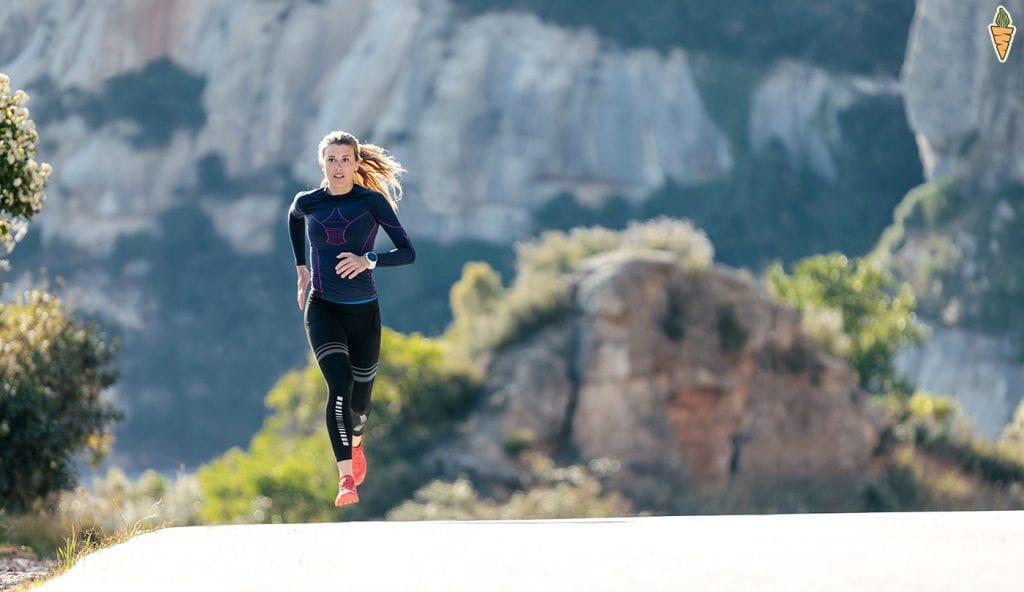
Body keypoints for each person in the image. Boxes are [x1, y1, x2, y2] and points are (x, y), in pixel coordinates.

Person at [287, 130, 416, 506]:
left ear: (356, 163)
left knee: (360, 404)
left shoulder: (371, 202)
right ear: (321, 163)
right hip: (322, 307)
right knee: (339, 387)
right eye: (331, 159)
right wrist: (301, 270)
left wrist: (369, 260)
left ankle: (356, 444)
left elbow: (407, 251)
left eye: (345, 159)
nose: (338, 167)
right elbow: (293, 219)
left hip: (364, 312)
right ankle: (346, 479)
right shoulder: (308, 202)